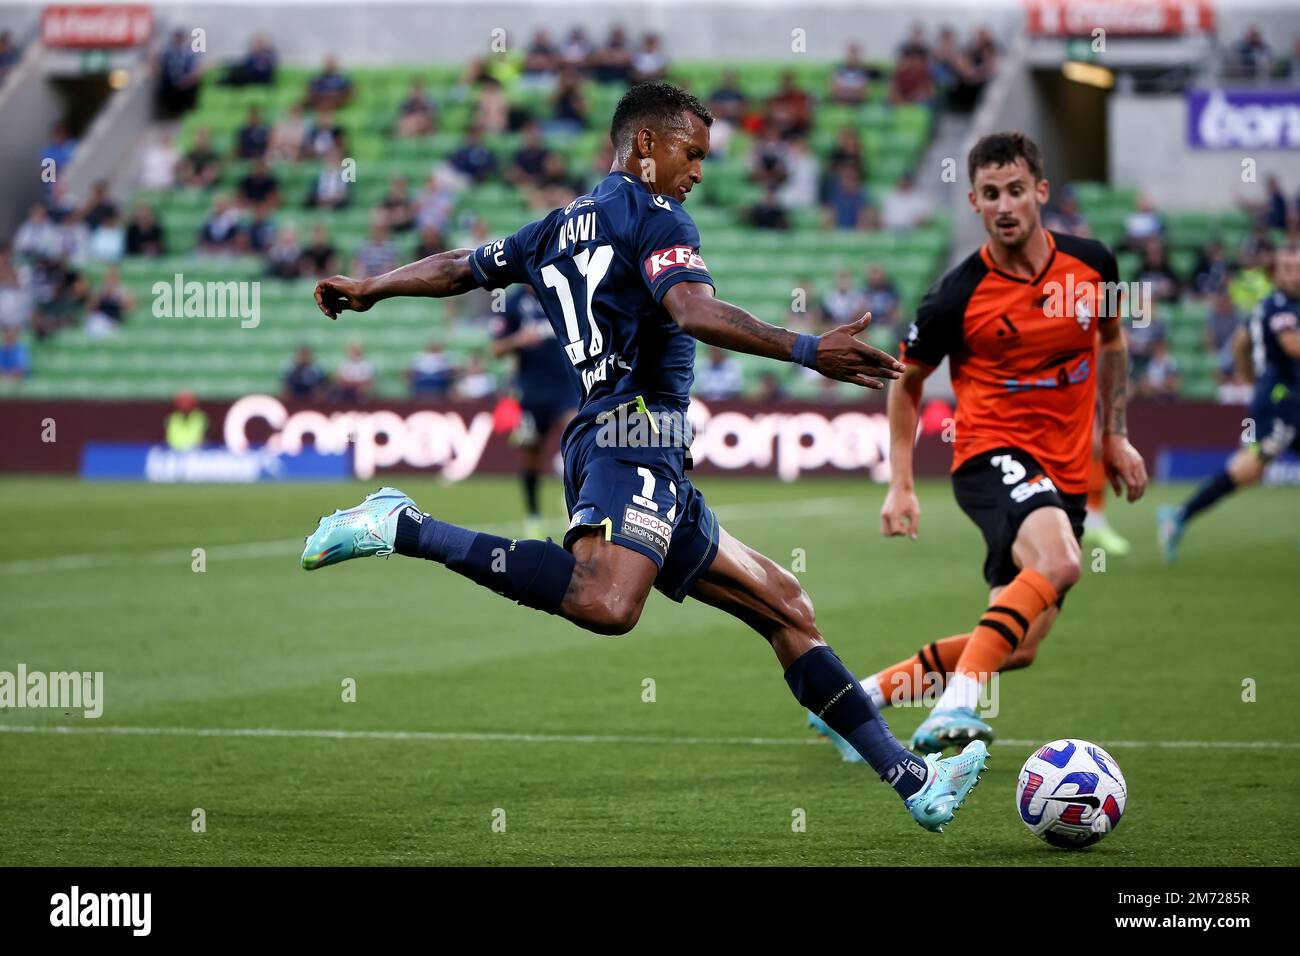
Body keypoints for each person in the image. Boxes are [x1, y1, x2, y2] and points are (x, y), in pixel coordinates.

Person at [303, 83, 986, 830]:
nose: (698, 171)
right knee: (608, 603)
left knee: (788, 609)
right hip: (634, 436)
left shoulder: (556, 227)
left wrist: (372, 286)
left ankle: (914, 780)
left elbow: (464, 266)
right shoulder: (656, 214)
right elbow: (689, 309)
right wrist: (805, 348)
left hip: (639, 449)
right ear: (646, 146)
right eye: (691, 153)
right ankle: (404, 525)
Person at [828, 131, 1147, 757]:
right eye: (991, 194)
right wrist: (901, 482)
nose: (1005, 205)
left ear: (1041, 192)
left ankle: (860, 698)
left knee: (1020, 644)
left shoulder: (1094, 264)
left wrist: (1115, 436)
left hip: (1061, 473)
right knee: (1060, 563)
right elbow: (907, 383)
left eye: (1017, 191)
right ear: (974, 201)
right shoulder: (955, 295)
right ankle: (956, 705)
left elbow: (1111, 342)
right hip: (989, 456)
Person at [1159, 245, 1300, 561]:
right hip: (1282, 404)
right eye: (1288, 268)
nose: (1294, 274)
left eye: (1298, 267)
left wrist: (1252, 379)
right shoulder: (1280, 306)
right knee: (1250, 470)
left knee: (1250, 469)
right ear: (1275, 274)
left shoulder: (1270, 306)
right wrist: (1261, 383)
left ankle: (1178, 515)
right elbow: (1291, 344)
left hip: (1279, 398)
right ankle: (1179, 515)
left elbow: (1239, 344)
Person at [490, 284, 580, 536]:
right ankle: (533, 515)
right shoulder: (511, 301)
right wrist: (519, 339)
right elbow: (496, 349)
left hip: (567, 387)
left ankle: (575, 503)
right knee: (531, 455)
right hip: (531, 391)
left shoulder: (563, 290)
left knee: (577, 440)